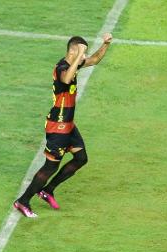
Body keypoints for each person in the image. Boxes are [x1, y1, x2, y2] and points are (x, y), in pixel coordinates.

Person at [14, 33, 113, 218]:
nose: (84, 56)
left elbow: (94, 60)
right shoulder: (61, 68)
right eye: (82, 51)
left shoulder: (73, 64)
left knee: (81, 158)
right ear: (73, 50)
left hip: (68, 125)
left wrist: (105, 44)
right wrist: (79, 56)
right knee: (50, 167)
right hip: (57, 127)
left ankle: (48, 190)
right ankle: (22, 201)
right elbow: (67, 79)